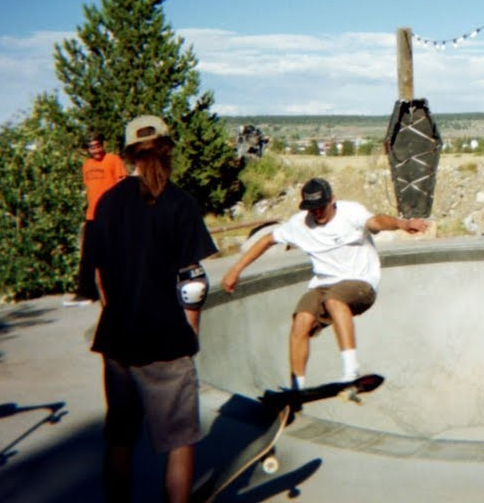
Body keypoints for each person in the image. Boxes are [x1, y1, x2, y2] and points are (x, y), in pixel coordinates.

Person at [87, 115, 217, 503]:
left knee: (120, 437)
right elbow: (192, 284)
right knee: (180, 440)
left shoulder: (106, 203)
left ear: (127, 155)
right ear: (167, 150)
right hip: (165, 340)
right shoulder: (179, 202)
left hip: (117, 340)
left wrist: (117, 311)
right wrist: (191, 332)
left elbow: (98, 278)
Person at [221, 177, 428, 390]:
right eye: (312, 209)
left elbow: (377, 221)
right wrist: (235, 271)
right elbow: (267, 240)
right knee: (301, 321)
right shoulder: (299, 224)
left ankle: (351, 370)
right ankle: (297, 389)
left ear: (332, 200)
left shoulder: (350, 212)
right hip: (322, 285)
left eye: (321, 207)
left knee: (334, 300)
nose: (317, 213)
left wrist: (403, 224)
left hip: (360, 283)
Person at [68, 132, 129, 306]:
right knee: (88, 255)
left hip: (110, 215)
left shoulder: (113, 160)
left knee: (114, 254)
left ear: (102, 145)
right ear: (87, 149)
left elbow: (123, 186)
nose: (96, 150)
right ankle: (86, 293)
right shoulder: (87, 165)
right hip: (92, 215)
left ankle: (120, 290)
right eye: (92, 147)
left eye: (98, 145)